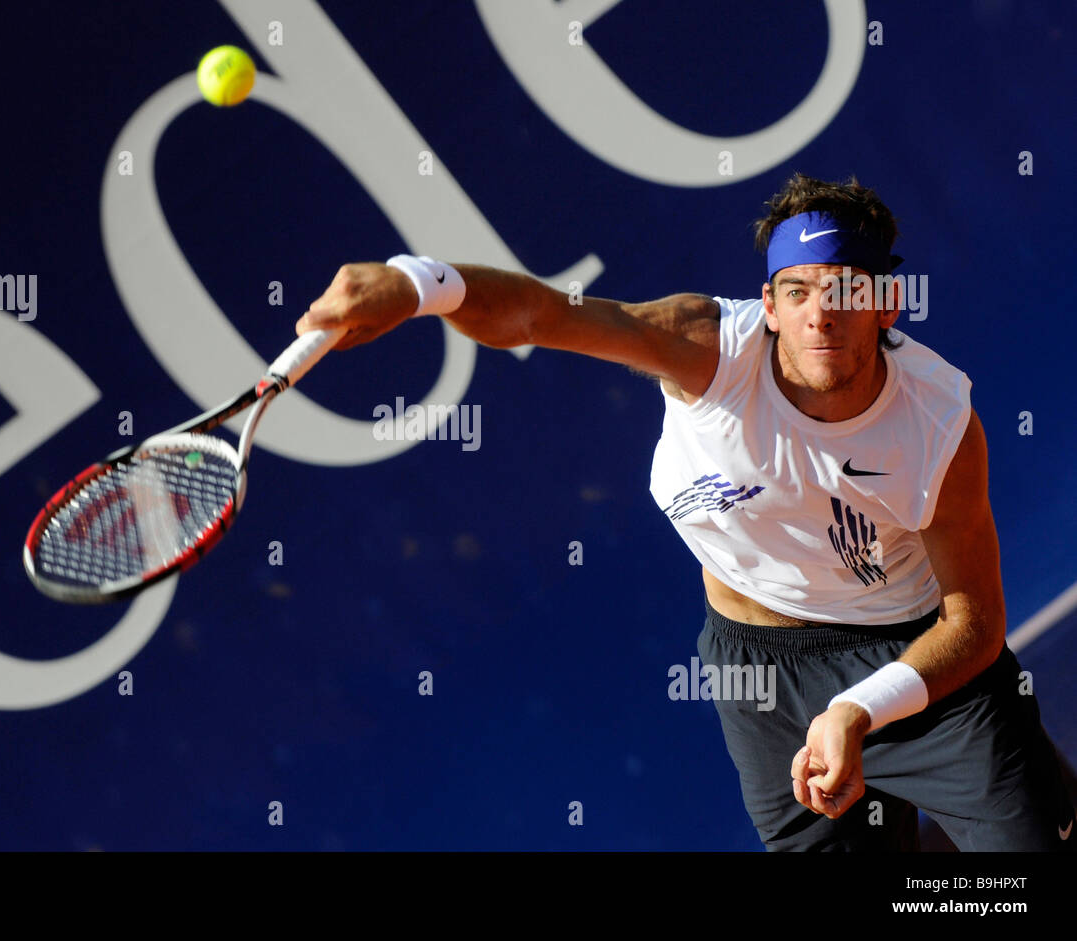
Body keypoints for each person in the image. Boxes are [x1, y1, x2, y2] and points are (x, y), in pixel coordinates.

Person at [295, 173, 1075, 851]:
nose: (820, 315)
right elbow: (540, 315)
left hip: (917, 658)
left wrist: (857, 710)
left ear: (886, 303)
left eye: (844, 289)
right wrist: (418, 283)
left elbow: (973, 624)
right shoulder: (705, 347)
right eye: (797, 291)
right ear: (768, 305)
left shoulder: (937, 422)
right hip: (760, 674)